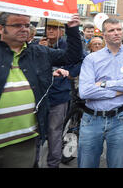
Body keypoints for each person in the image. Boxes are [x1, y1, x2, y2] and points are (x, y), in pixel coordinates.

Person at [0, 12, 82, 168]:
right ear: (1, 29)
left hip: (24, 142)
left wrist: (72, 29)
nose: (24, 29)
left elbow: (73, 56)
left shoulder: (39, 53)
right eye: (17, 25)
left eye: (27, 25)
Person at [78, 18, 123, 168]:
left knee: (118, 164)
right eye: (111, 30)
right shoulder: (91, 59)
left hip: (121, 119)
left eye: (119, 29)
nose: (117, 33)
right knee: (87, 164)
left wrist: (105, 84)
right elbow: (85, 91)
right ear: (104, 34)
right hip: (92, 119)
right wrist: (120, 90)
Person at [38, 19, 83, 168]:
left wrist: (71, 73)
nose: (50, 31)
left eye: (53, 28)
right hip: (40, 97)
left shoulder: (66, 47)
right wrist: (40, 51)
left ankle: (53, 163)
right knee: (37, 132)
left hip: (59, 96)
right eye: (48, 28)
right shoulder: (38, 46)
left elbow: (79, 59)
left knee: (55, 131)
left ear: (61, 31)